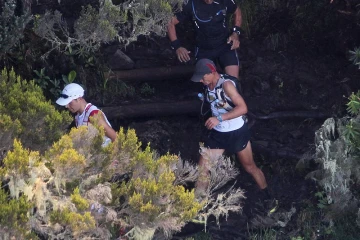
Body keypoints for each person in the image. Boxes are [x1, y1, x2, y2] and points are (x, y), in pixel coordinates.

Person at [191, 59, 276, 213]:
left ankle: (268, 196)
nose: (201, 81)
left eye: (203, 77)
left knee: (249, 167)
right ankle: (198, 208)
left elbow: (243, 108)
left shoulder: (227, 85)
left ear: (212, 72)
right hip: (218, 134)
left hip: (237, 133)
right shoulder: (207, 86)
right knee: (202, 169)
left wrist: (220, 118)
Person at [167, 0, 242, 79]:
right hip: (203, 49)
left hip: (225, 44)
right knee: (208, 82)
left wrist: (235, 33)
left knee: (233, 81)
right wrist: (177, 46)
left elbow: (237, 11)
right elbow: (170, 23)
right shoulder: (189, 4)